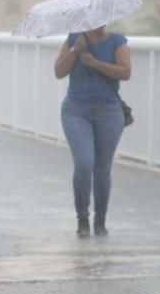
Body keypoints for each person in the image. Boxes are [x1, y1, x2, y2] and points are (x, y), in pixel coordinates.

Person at [53, 25, 131, 237]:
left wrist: (94, 63)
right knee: (84, 162)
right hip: (76, 110)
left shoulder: (117, 41)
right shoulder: (74, 39)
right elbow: (59, 72)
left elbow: (125, 72)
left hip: (109, 111)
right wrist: (74, 51)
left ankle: (100, 220)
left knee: (103, 168)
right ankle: (82, 218)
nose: (97, 23)